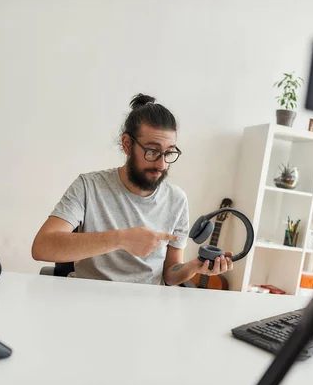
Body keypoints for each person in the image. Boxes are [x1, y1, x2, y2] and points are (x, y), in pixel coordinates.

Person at [31, 93, 234, 286]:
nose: (162, 165)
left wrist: (193, 267)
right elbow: (42, 247)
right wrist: (121, 239)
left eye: (169, 153)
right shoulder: (89, 186)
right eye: (153, 151)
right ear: (127, 145)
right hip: (88, 299)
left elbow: (170, 274)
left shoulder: (177, 199)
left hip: (146, 306)